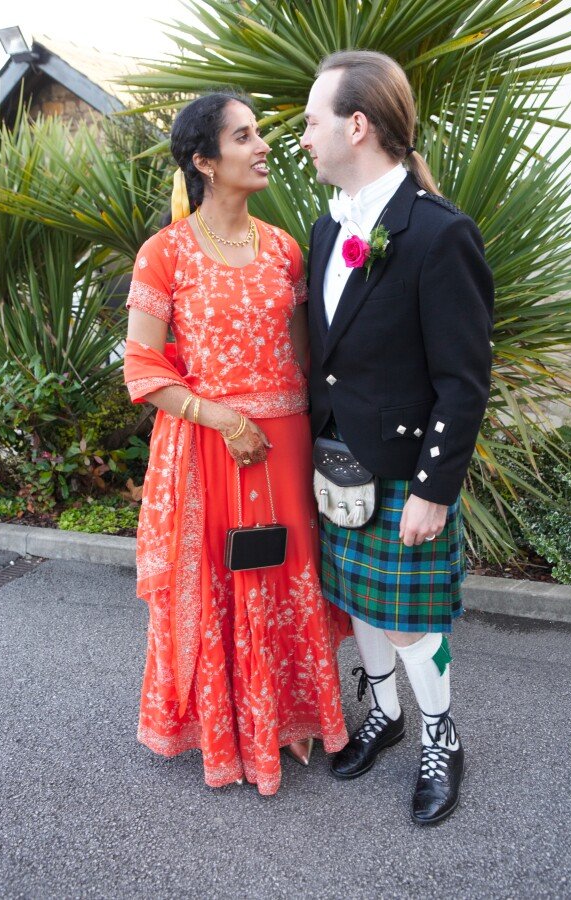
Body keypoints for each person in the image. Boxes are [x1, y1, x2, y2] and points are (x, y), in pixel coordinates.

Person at [124, 92, 349, 796]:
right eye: (244, 136)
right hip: (210, 450)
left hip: (286, 446)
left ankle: (291, 715)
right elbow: (142, 369)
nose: (262, 146)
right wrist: (223, 419)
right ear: (204, 161)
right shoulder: (165, 253)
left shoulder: (284, 248)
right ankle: (234, 726)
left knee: (288, 573)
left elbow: (307, 358)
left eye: (259, 134)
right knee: (228, 577)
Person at [300, 51, 494, 824]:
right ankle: (383, 713)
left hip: (400, 468)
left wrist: (432, 489)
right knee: (360, 608)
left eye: (311, 121)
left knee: (409, 621)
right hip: (336, 464)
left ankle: (441, 735)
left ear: (356, 125)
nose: (302, 138)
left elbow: (462, 379)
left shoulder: (438, 233)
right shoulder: (327, 227)